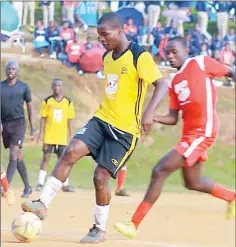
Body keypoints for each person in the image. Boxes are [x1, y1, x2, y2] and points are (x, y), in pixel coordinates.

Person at [21, 12, 167, 243]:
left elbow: (162, 84)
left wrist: (148, 112)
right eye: (98, 35)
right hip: (101, 120)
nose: (101, 39)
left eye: (104, 35)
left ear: (119, 31)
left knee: (100, 177)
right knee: (70, 151)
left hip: (125, 132)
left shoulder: (140, 56)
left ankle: (98, 229)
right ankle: (42, 204)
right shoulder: (108, 57)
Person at [114, 36, 236, 239]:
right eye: (167, 53)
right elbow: (173, 118)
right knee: (193, 182)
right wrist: (153, 117)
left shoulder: (200, 62)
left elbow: (231, 72)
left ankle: (133, 224)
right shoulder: (175, 81)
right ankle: (231, 197)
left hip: (203, 131)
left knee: (159, 171)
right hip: (189, 135)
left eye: (174, 52)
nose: (170, 56)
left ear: (186, 50)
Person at [1, 61, 36, 198]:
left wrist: (33, 128)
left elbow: (30, 108)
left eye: (13, 69)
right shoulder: (1, 86)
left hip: (18, 124)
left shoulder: (24, 87)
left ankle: (6, 187)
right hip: (5, 124)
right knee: (18, 156)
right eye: (8, 69)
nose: (11, 71)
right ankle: (27, 187)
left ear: (17, 71)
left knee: (13, 153)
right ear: (5, 71)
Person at [35, 78, 76, 193]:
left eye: (59, 85)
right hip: (49, 135)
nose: (57, 88)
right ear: (52, 87)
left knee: (64, 160)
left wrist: (71, 134)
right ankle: (40, 183)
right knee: (46, 158)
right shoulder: (47, 101)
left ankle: (65, 185)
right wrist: (41, 134)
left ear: (61, 87)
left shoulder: (68, 102)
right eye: (55, 85)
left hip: (62, 136)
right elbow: (43, 118)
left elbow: (70, 119)